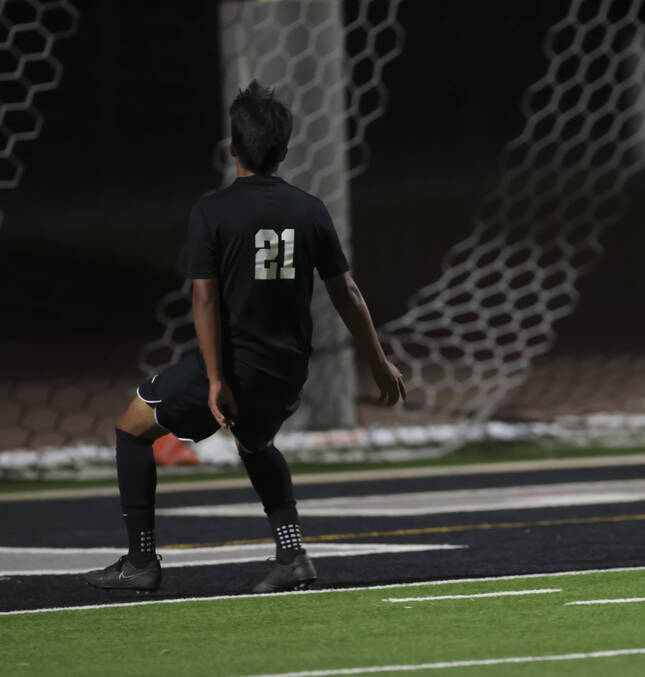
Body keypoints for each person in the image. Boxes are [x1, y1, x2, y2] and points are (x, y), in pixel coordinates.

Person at [84, 81, 406, 593]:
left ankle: (140, 561)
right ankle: (293, 554)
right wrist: (378, 361)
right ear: (284, 150)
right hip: (287, 370)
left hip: (234, 368)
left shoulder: (212, 211)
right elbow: (347, 291)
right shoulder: (310, 209)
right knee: (256, 442)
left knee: (131, 427)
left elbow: (205, 300)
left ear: (232, 147)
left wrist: (214, 379)